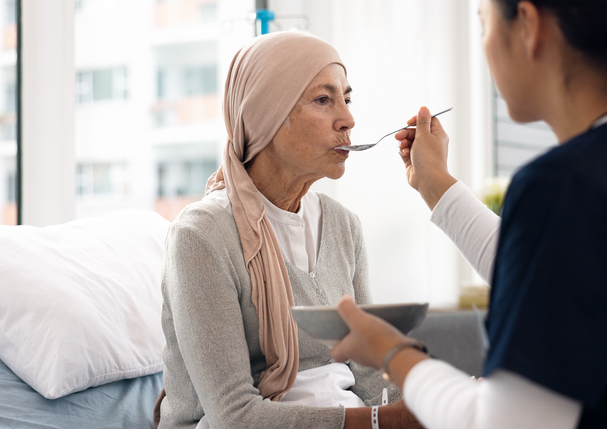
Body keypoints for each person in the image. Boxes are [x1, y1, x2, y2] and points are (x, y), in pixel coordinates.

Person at [330, 0, 607, 428]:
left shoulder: (569, 185)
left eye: (483, 23)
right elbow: (553, 274)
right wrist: (436, 186)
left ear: (529, 24)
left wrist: (393, 353)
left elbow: (504, 423)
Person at [156, 31, 421, 429]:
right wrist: (385, 422)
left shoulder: (344, 226)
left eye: (346, 99)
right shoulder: (201, 236)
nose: (348, 120)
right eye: (323, 99)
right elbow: (234, 417)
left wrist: (434, 402)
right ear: (267, 115)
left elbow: (370, 377)